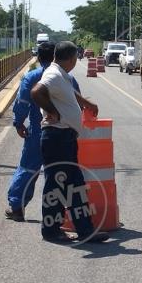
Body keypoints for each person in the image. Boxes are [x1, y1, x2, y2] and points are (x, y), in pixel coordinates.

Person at [30, 41, 109, 243]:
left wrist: (84, 102)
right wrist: (53, 111)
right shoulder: (53, 74)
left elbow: (65, 91)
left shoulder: (59, 74)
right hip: (56, 137)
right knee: (58, 186)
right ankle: (52, 230)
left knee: (74, 185)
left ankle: (84, 230)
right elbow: (36, 91)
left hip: (64, 137)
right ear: (72, 59)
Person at [5, 42, 84, 221]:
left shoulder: (32, 77)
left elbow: (23, 103)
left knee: (27, 168)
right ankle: (65, 215)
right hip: (62, 133)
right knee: (61, 175)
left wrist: (18, 123)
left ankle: (17, 206)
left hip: (37, 133)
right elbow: (77, 105)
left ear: (39, 58)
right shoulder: (67, 78)